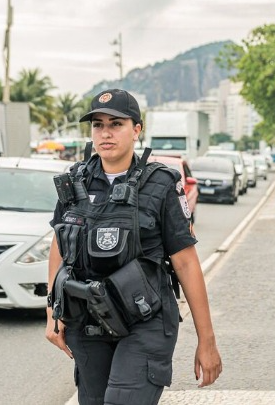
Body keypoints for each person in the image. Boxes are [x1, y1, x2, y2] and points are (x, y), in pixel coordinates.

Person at [45, 89, 222, 405]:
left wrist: (206, 340)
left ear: (137, 129)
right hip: (87, 321)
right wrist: (52, 311)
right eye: (98, 125)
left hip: (146, 319)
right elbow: (59, 246)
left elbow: (185, 263)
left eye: (116, 123)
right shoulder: (75, 180)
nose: (106, 132)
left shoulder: (162, 184)